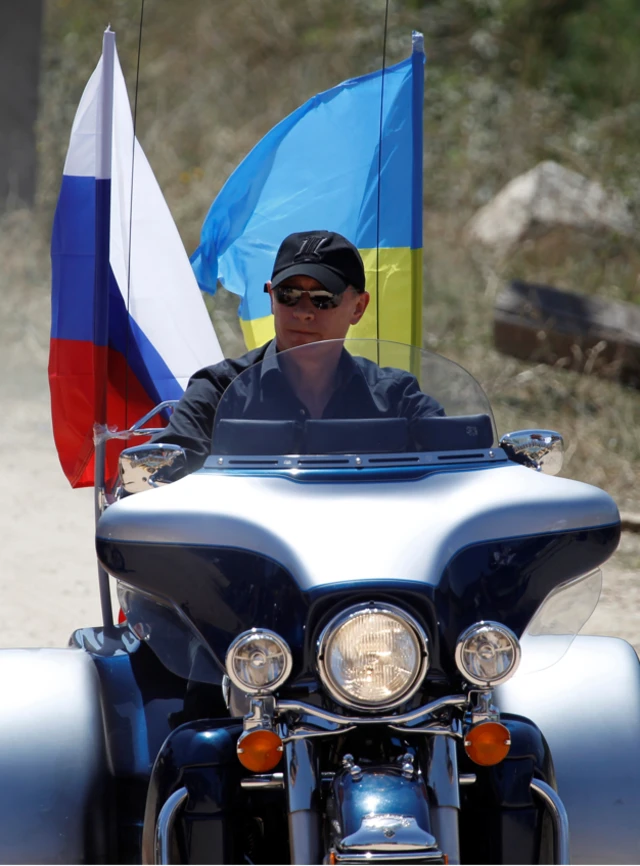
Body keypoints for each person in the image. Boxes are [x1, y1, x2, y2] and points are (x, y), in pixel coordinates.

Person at [151, 230, 442, 471]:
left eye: (323, 298)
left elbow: (465, 469)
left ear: (358, 307)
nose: (303, 312)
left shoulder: (396, 398)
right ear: (271, 298)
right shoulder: (218, 391)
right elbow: (156, 478)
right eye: (288, 295)